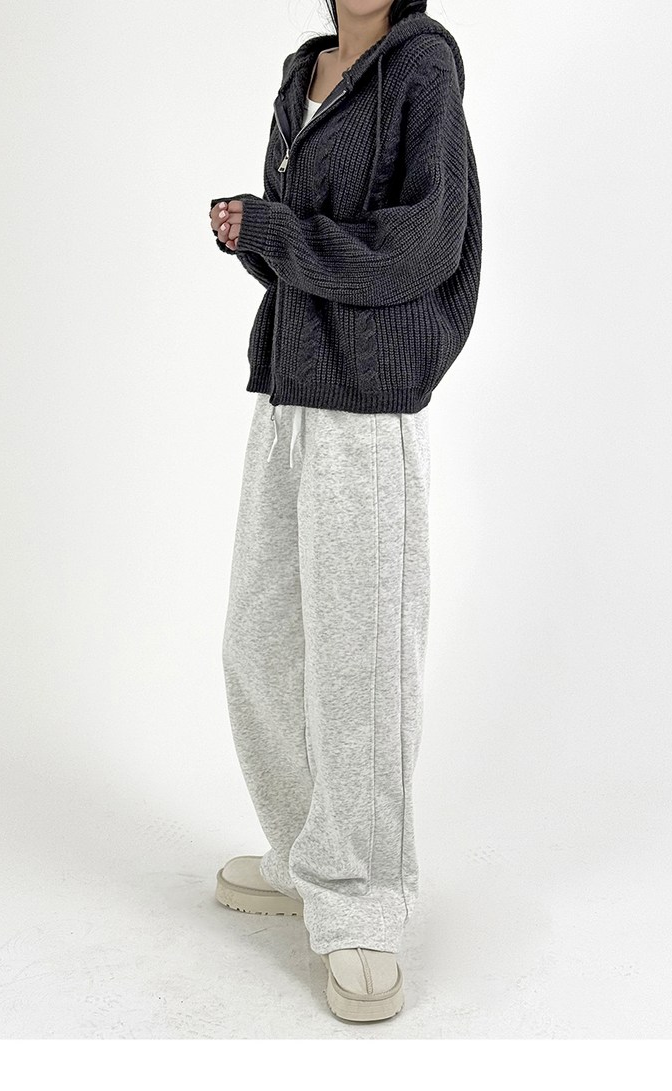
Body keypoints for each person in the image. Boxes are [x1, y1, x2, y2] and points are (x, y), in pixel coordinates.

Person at [208, 0, 481, 1022]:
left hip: (367, 407)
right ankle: (306, 855)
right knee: (261, 641)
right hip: (287, 391)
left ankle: (364, 903)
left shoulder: (423, 69)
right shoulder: (304, 73)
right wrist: (254, 235)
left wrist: (282, 232)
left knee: (360, 661)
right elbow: (307, 243)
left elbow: (422, 247)